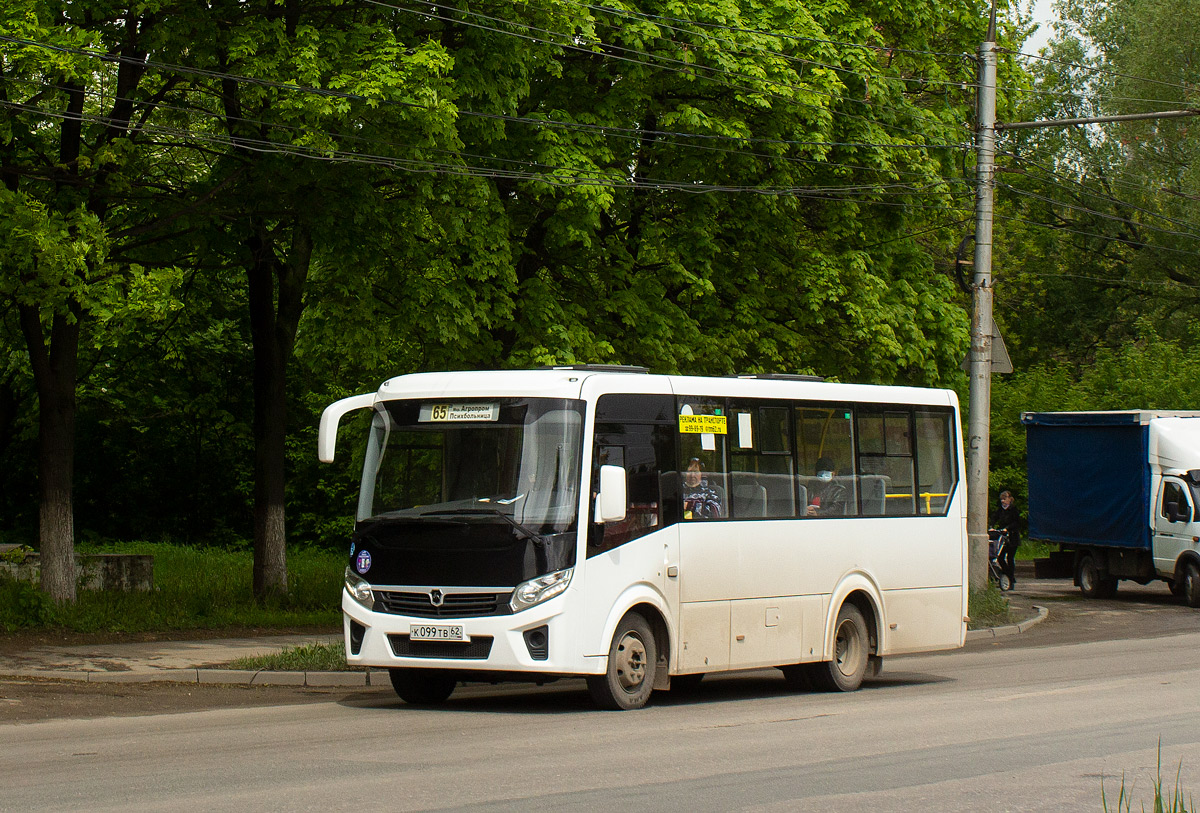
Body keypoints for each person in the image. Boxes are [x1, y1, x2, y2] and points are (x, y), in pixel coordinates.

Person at [990, 490, 1022, 589]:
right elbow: (994, 518)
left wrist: (1007, 528)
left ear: (1009, 499)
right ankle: (1009, 576)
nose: (1003, 501)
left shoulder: (1014, 510)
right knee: (1000, 558)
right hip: (1003, 538)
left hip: (1012, 537)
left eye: (1004, 499)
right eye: (1001, 499)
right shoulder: (1000, 509)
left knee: (1010, 558)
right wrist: (991, 526)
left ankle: (1010, 580)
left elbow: (1017, 523)